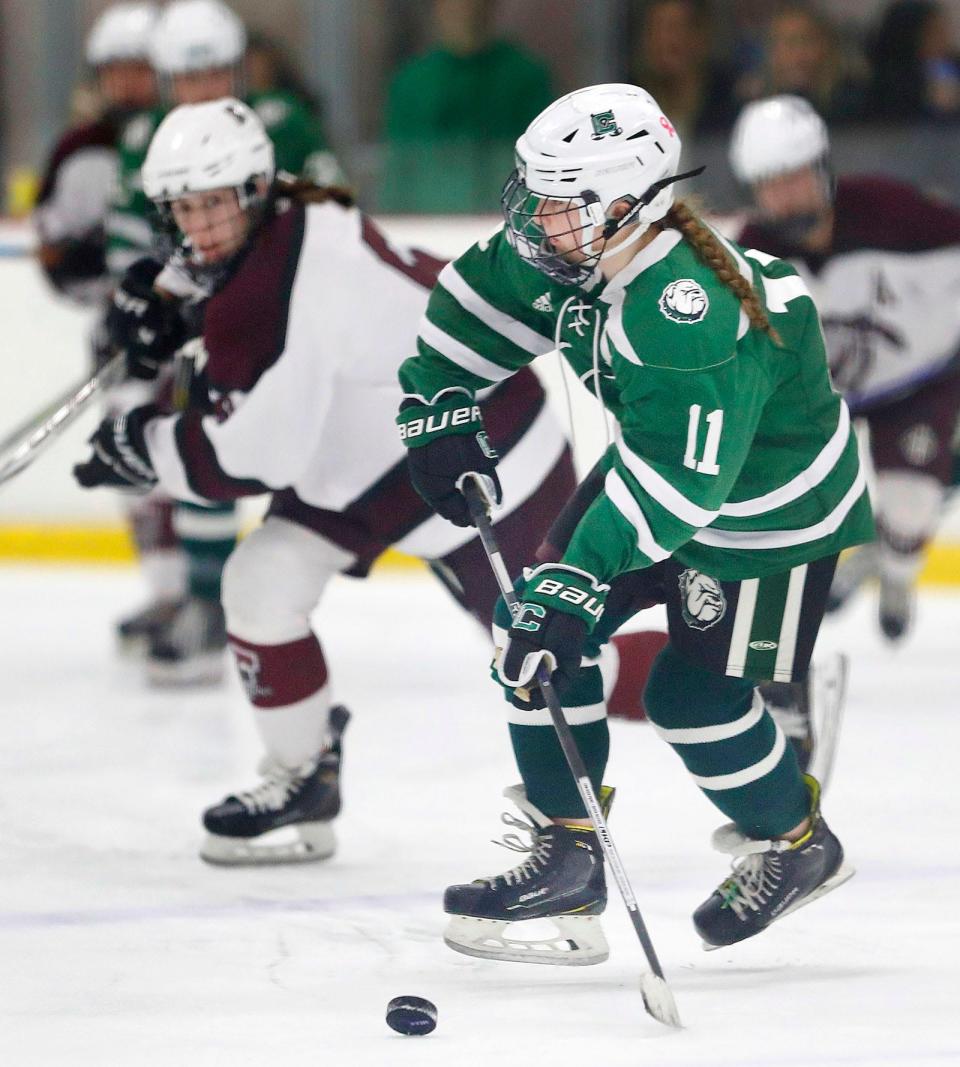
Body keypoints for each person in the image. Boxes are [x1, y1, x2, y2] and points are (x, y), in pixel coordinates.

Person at [397, 83, 871, 961]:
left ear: (626, 204)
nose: (533, 221)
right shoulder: (576, 252)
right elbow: (471, 306)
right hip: (665, 474)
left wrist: (581, 576)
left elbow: (682, 486)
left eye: (556, 202)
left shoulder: (685, 311)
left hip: (770, 516)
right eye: (531, 195)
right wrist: (437, 397)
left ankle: (801, 845)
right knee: (534, 629)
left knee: (689, 701)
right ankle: (568, 857)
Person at [72, 97, 577, 864]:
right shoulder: (282, 224)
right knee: (263, 581)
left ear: (252, 192)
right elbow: (218, 281)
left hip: (487, 445)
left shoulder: (279, 289)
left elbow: (251, 457)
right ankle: (304, 778)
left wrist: (143, 443)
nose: (199, 225)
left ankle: (745, 692)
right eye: (183, 209)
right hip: (368, 455)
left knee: (565, 666)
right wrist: (167, 297)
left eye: (214, 203)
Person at [104, 0, 344, 685]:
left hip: (278, 319)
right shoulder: (148, 134)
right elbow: (133, 238)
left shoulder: (278, 123)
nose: (200, 88)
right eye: (185, 74)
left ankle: (233, 602)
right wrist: (147, 303)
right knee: (188, 439)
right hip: (201, 324)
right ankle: (200, 598)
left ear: (234, 68)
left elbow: (332, 209)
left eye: (212, 71)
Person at [730, 94, 960, 640]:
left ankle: (896, 569)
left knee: (910, 505)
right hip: (820, 401)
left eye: (796, 176)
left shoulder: (897, 212)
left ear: (822, 166)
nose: (785, 196)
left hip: (920, 378)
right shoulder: (748, 256)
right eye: (770, 183)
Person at [34, 2, 159, 306]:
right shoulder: (81, 146)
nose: (127, 82)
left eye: (140, 69)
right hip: (98, 307)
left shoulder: (186, 136)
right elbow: (51, 246)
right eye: (116, 70)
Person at [380, 0, 553, 213]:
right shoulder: (412, 81)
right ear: (437, 7)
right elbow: (397, 172)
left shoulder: (526, 77)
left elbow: (546, 165)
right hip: (428, 221)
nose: (465, 9)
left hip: (508, 219)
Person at [629, 0, 740, 143]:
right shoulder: (630, 102)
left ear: (700, 36)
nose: (665, 40)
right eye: (655, 29)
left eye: (675, 28)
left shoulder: (728, 100)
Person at [755, 2, 867, 124]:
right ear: (772, 52)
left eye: (807, 41)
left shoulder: (857, 106)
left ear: (826, 46)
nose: (799, 54)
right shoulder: (754, 110)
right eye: (789, 43)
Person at [869, 0, 960, 122]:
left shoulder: (954, 64)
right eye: (932, 32)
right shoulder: (890, 83)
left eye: (943, 30)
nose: (943, 38)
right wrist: (926, 94)